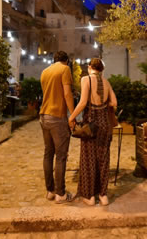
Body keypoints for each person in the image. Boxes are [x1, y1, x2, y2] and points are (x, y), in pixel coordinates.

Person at [68, 58, 117, 206]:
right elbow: (114, 103)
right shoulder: (106, 82)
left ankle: (89, 197)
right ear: (101, 69)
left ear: (90, 67)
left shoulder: (86, 79)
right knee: (103, 160)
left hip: (91, 125)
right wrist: (104, 104)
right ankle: (103, 195)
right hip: (105, 125)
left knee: (89, 160)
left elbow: (83, 102)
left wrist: (71, 117)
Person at [39, 51, 75, 203]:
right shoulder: (65, 69)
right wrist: (72, 115)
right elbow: (67, 94)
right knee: (61, 156)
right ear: (66, 60)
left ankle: (50, 191)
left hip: (43, 116)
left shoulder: (45, 71)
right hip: (57, 117)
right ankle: (60, 194)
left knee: (48, 154)